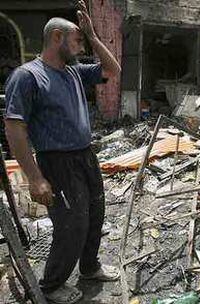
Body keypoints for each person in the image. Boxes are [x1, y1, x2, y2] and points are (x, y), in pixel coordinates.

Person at [4, 1, 121, 303]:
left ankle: (90, 267)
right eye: (78, 40)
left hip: (85, 155)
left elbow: (113, 69)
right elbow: (14, 128)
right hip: (57, 162)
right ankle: (53, 284)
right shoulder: (28, 76)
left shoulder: (74, 72)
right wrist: (34, 178)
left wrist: (93, 36)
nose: (81, 48)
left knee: (95, 213)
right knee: (73, 224)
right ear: (57, 37)